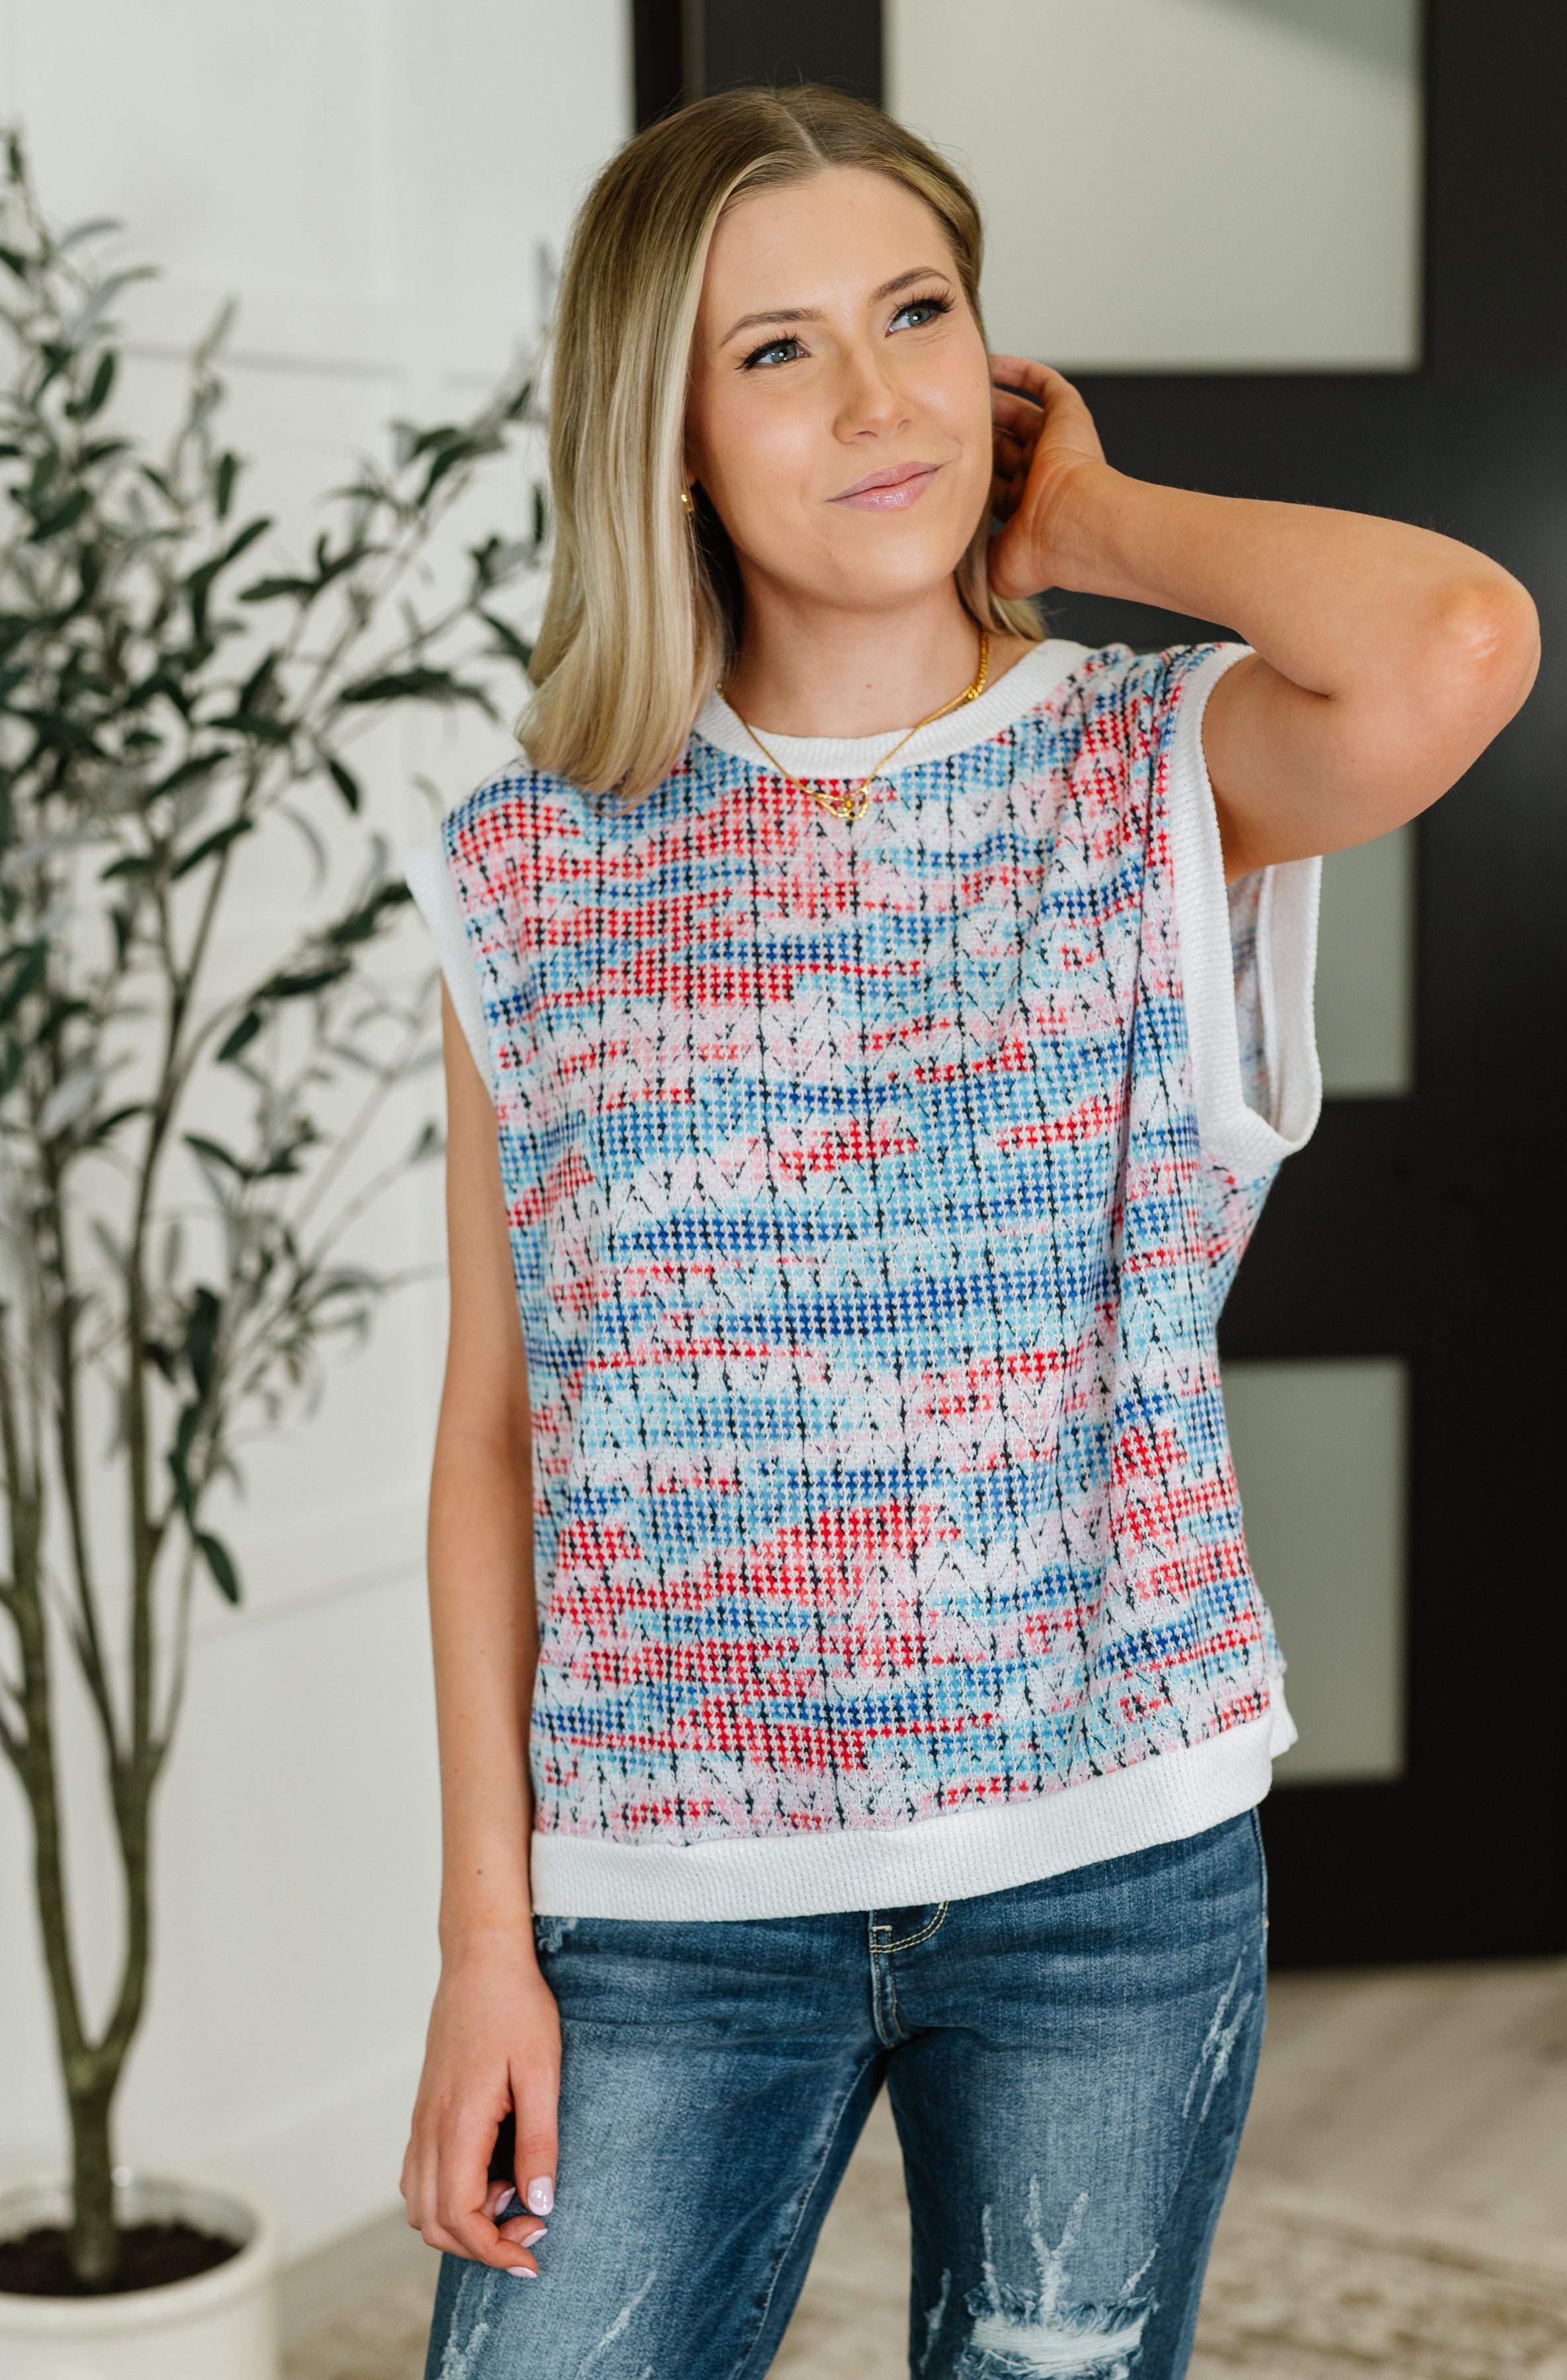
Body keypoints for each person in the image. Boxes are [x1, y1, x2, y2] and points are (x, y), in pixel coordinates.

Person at [399, 84, 1537, 2380]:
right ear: (667, 434)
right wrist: (484, 1947)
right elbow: (494, 1444)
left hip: (1103, 1871)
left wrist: (1095, 509)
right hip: (663, 1907)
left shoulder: (1149, 772)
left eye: (918, 313)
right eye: (778, 351)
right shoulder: (529, 863)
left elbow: (1452, 638)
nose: (881, 392)